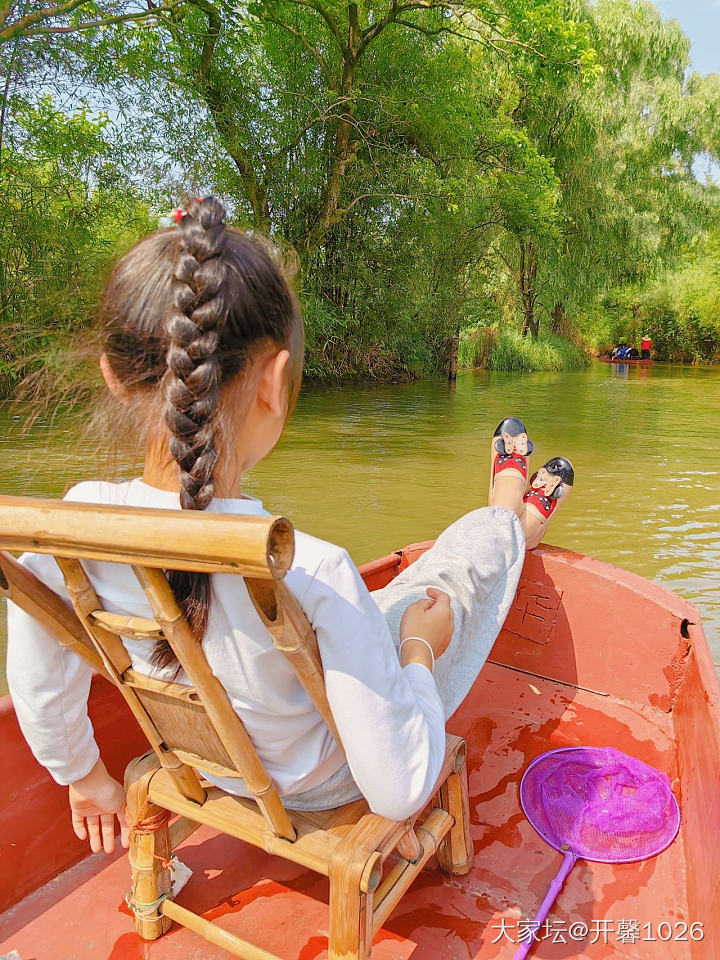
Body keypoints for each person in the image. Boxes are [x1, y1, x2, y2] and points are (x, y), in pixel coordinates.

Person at [6, 197, 575, 857]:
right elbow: (398, 789)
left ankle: (507, 522)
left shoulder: (65, 528)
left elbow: (40, 681)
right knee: (450, 582)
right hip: (319, 780)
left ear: (110, 375)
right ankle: (510, 518)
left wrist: (85, 778)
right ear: (276, 382)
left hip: (209, 762)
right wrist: (419, 648)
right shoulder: (307, 566)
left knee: (397, 594)